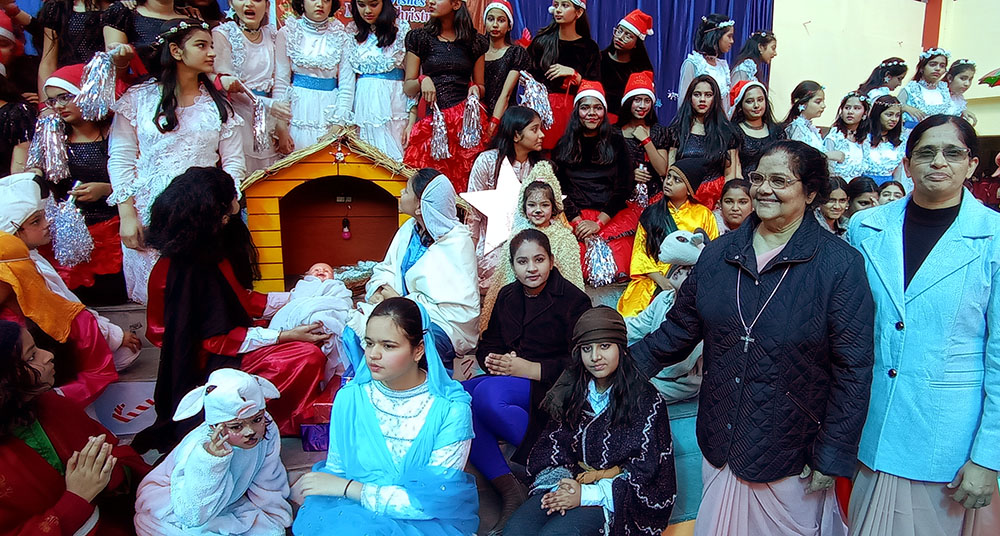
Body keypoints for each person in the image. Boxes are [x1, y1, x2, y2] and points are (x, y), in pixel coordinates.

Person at [630, 140, 875, 536]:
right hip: (721, 433)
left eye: (780, 180)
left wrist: (832, 454)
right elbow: (678, 330)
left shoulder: (838, 265)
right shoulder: (719, 254)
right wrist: (620, 367)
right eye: (758, 177)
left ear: (811, 192)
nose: (763, 189)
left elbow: (854, 369)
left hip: (792, 448)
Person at [847, 114, 1000, 534]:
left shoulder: (994, 236)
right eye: (926, 152)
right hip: (870, 429)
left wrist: (988, 457)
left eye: (952, 153)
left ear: (971, 164)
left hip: (946, 440)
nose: (938, 162)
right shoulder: (866, 227)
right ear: (908, 162)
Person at [134, 166, 331, 452]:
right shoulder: (186, 271)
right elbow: (214, 338)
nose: (237, 209)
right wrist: (284, 336)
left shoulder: (210, 254)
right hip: (205, 366)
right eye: (230, 208)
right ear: (217, 216)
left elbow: (245, 300)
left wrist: (301, 295)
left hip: (230, 344)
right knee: (305, 356)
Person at [291, 298, 479, 535]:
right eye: (369, 343)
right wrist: (340, 487)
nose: (373, 355)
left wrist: (350, 488)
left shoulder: (451, 409)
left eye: (388, 346)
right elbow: (337, 468)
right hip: (351, 513)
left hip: (422, 523)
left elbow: (432, 503)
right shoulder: (350, 398)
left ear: (418, 349)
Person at [107, 18, 245, 305]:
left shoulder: (218, 105)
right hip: (149, 213)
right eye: (201, 45)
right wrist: (127, 215)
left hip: (203, 215)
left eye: (211, 46)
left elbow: (233, 161)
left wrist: (229, 201)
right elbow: (121, 159)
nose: (211, 53)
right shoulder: (138, 100)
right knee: (162, 299)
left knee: (203, 299)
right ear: (176, 51)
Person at [504, 306, 676, 535]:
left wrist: (586, 495)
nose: (595, 357)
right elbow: (552, 448)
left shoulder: (646, 400)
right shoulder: (572, 392)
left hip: (615, 498)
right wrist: (565, 489)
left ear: (621, 349)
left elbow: (650, 473)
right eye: (587, 348)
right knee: (516, 530)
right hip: (569, 482)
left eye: (604, 346)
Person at [466, 229, 591, 532]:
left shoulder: (573, 300)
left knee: (487, 397)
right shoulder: (508, 295)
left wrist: (530, 368)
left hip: (553, 386)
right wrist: (494, 361)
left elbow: (582, 361)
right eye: (522, 261)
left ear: (551, 260)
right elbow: (487, 344)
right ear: (513, 265)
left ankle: (541, 453)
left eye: (538, 260)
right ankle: (510, 488)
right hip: (513, 381)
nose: (531, 268)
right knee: (460, 396)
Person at [0, 319, 149, 535]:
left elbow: (114, 449)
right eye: (31, 357)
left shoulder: (50, 403)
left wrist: (108, 471)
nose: (48, 355)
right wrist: (77, 498)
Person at [0, 172, 140, 371]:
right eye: (35, 222)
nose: (47, 223)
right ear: (13, 230)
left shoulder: (33, 256)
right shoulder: (16, 266)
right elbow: (62, 313)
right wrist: (114, 336)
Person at [134, 369, 293, 535]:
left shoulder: (266, 427)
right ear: (215, 426)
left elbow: (269, 476)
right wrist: (212, 462)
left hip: (226, 501)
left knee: (271, 530)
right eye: (236, 427)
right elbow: (192, 514)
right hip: (176, 506)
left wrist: (275, 516)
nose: (250, 431)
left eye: (257, 419)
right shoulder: (199, 446)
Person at [353, 169, 479, 365]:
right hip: (396, 306)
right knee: (352, 330)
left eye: (406, 191)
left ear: (420, 206)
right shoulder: (409, 229)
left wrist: (400, 302)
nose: (401, 194)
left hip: (441, 323)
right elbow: (388, 267)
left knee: (405, 342)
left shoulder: (458, 242)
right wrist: (380, 290)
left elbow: (454, 307)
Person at [36, 64, 129, 306]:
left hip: (114, 230)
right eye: (52, 101)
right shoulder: (53, 138)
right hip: (68, 237)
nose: (58, 106)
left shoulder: (116, 131)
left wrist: (107, 189)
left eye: (65, 97)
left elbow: (137, 174)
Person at [0, 231, 118, 406]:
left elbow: (99, 372)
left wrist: (54, 398)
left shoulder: (73, 318)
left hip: (69, 414)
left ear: (18, 278)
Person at [481, 162, 585, 329]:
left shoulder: (565, 238)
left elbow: (571, 281)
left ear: (554, 206)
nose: (538, 210)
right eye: (532, 205)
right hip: (520, 303)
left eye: (544, 205)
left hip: (553, 306)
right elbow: (505, 278)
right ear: (524, 206)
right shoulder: (516, 235)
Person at [551, 80, 634, 282]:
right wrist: (579, 223)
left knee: (617, 263)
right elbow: (558, 189)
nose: (591, 113)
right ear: (577, 110)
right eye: (585, 107)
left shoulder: (616, 141)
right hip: (574, 217)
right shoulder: (563, 145)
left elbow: (624, 187)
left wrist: (598, 223)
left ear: (604, 112)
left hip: (610, 217)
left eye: (597, 108)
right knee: (571, 264)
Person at [402, 0, 487, 193]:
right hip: (433, 124)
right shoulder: (419, 38)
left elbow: (481, 86)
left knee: (464, 185)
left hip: (464, 125)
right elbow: (408, 87)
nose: (430, 1)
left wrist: (475, 89)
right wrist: (423, 79)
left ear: (456, 4)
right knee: (429, 185)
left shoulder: (474, 41)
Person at [618, 159, 719, 317]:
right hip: (652, 278)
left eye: (676, 180)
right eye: (668, 177)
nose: (669, 182)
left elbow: (710, 253)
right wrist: (661, 280)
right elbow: (640, 253)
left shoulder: (704, 214)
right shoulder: (651, 213)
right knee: (634, 313)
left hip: (688, 280)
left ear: (689, 190)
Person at [465, 106, 543, 293]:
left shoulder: (540, 168)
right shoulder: (487, 161)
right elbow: (472, 217)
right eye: (534, 129)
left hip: (530, 242)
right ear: (516, 135)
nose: (542, 135)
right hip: (491, 244)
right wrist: (467, 258)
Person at [213, 0, 283, 172]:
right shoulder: (223, 33)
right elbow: (225, 79)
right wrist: (263, 103)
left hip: (270, 116)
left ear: (267, 5)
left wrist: (281, 125)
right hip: (238, 114)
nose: (248, 4)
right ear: (230, 2)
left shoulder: (273, 34)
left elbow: (281, 80)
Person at [339, 0, 410, 160]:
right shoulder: (351, 32)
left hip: (394, 106)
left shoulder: (401, 31)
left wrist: (412, 121)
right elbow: (347, 84)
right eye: (362, 5)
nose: (367, 11)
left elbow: (411, 77)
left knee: (396, 160)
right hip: (364, 106)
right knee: (367, 163)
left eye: (373, 4)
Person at [273, 0, 348, 152]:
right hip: (297, 110)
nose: (320, 4)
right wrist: (280, 125)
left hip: (329, 111)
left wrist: (337, 125)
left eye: (326, 0)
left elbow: (347, 86)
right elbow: (281, 82)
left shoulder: (342, 36)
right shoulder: (287, 33)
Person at [525, 0, 600, 151]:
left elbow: (596, 87)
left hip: (574, 114)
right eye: (556, 5)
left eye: (565, 5)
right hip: (544, 113)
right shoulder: (542, 42)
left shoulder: (589, 48)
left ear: (578, 12)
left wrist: (574, 75)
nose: (558, 10)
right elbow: (527, 76)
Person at [666, 74, 741, 209]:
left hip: (715, 198)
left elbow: (730, 174)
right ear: (690, 98)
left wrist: (724, 200)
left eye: (708, 95)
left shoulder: (726, 131)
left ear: (715, 98)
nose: (702, 99)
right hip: (682, 195)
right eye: (697, 94)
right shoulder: (677, 130)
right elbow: (671, 168)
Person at [103, 0, 192, 76]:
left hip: (189, 92)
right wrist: (122, 59)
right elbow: (110, 71)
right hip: (139, 92)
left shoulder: (193, 18)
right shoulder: (123, 13)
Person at [37, 0, 108, 95]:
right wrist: (45, 104)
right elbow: (48, 62)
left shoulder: (118, 9)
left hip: (105, 84)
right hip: (67, 85)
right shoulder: (58, 9)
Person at [616, 70, 668, 197]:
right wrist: (630, 174)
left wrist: (646, 140)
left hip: (655, 198)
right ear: (628, 102)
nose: (642, 106)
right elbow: (608, 170)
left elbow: (662, 170)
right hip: (623, 198)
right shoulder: (615, 132)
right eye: (637, 100)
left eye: (647, 101)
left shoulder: (658, 131)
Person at [481, 0, 528, 130]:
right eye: (491, 19)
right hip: (478, 116)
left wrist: (494, 122)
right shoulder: (477, 51)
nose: (495, 25)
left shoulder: (515, 53)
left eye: (501, 20)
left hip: (504, 117)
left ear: (509, 26)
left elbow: (506, 94)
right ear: (485, 22)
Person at [600, 9, 654, 118]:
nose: (620, 37)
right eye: (619, 31)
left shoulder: (641, 69)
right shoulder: (598, 59)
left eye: (628, 36)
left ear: (636, 44)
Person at [679, 13, 735, 115]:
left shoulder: (723, 66)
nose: (732, 41)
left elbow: (726, 106)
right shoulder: (693, 64)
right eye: (729, 36)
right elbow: (683, 102)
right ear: (717, 36)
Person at [730, 80, 785, 177]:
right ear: (740, 106)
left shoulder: (777, 131)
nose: (756, 105)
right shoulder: (734, 131)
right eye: (749, 101)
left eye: (760, 100)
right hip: (744, 187)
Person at [898, 48, 951, 131]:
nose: (938, 68)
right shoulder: (910, 90)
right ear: (922, 68)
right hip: (913, 135)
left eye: (942, 66)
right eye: (933, 64)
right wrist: (904, 107)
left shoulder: (944, 90)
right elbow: (892, 108)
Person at [861, 95, 905, 186]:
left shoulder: (899, 142)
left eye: (897, 115)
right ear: (878, 114)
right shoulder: (864, 138)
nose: (894, 119)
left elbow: (898, 173)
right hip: (865, 186)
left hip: (888, 189)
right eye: (889, 115)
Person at [824, 91, 869, 181]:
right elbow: (828, 169)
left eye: (856, 108)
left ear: (864, 114)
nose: (850, 112)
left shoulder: (865, 138)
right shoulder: (834, 137)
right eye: (847, 108)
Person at [782, 80, 828, 152]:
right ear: (803, 103)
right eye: (818, 102)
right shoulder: (797, 128)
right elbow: (798, 156)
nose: (823, 106)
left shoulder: (809, 128)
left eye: (823, 101)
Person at [946, 59, 977, 127]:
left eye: (970, 79)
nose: (967, 84)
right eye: (963, 78)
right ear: (950, 78)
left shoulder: (959, 98)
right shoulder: (938, 94)